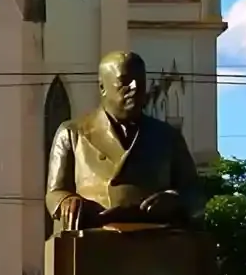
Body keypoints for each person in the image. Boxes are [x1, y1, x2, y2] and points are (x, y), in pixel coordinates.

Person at [45, 49, 202, 231]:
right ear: (102, 87)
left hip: (154, 239)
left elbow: (195, 195)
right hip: (94, 237)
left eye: (140, 82)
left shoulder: (167, 136)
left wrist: (176, 200)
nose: (135, 88)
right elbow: (55, 192)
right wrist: (66, 201)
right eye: (125, 82)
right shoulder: (73, 132)